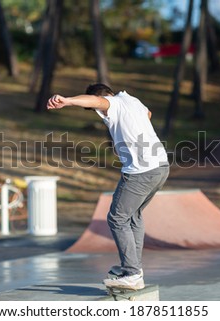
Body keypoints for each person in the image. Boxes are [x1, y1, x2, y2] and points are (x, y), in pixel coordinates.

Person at [47, 84, 169, 290]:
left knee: (117, 218)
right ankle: (133, 267)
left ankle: (132, 272)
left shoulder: (113, 103)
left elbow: (97, 101)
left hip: (141, 170)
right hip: (161, 166)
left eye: (98, 111)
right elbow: (148, 114)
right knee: (133, 216)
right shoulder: (132, 100)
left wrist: (67, 100)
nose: (100, 114)